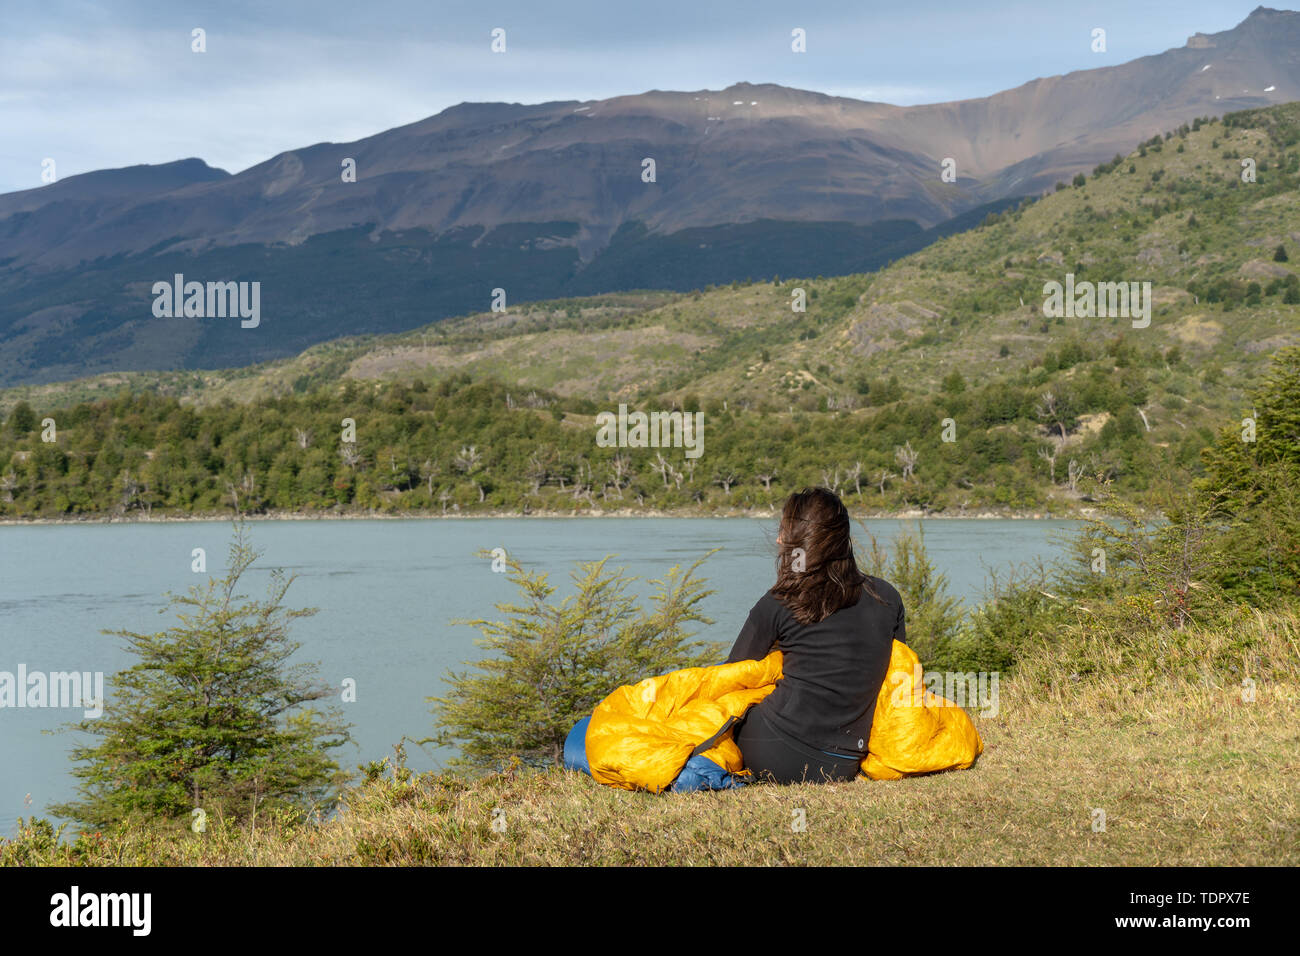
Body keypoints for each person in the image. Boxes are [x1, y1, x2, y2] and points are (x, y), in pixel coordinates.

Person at [727, 487, 906, 784]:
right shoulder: (887, 596)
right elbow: (896, 680)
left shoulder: (779, 601)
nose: (777, 540)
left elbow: (729, 677)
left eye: (783, 532)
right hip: (846, 761)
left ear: (799, 542)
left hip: (772, 753)